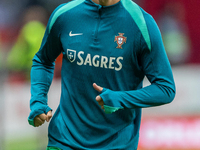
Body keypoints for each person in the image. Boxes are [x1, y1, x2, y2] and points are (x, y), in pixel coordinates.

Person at [28, 0, 176, 149]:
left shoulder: (142, 24)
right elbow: (43, 60)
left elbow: (165, 88)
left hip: (116, 145)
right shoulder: (65, 15)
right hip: (63, 142)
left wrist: (119, 99)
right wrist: (38, 101)